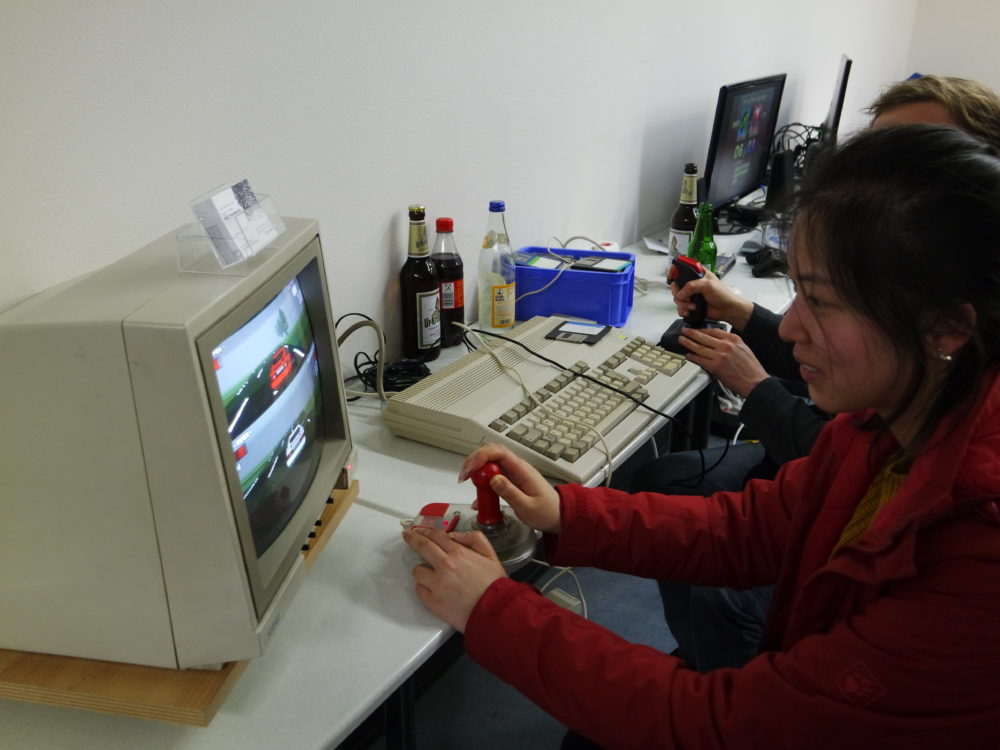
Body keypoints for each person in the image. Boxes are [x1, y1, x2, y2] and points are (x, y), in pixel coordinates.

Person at [403, 124, 1000, 748]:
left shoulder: (977, 559)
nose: (789, 327)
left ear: (946, 328)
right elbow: (749, 529)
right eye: (797, 292)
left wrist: (491, 611)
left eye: (821, 302)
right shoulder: (892, 419)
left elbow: (717, 726)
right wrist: (565, 514)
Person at [640, 73, 1000, 671]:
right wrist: (748, 314)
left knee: (674, 491)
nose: (874, 186)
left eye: (908, 166)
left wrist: (754, 386)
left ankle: (728, 653)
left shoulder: (969, 536)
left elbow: (823, 420)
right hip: (797, 479)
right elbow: (854, 362)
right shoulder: (914, 398)